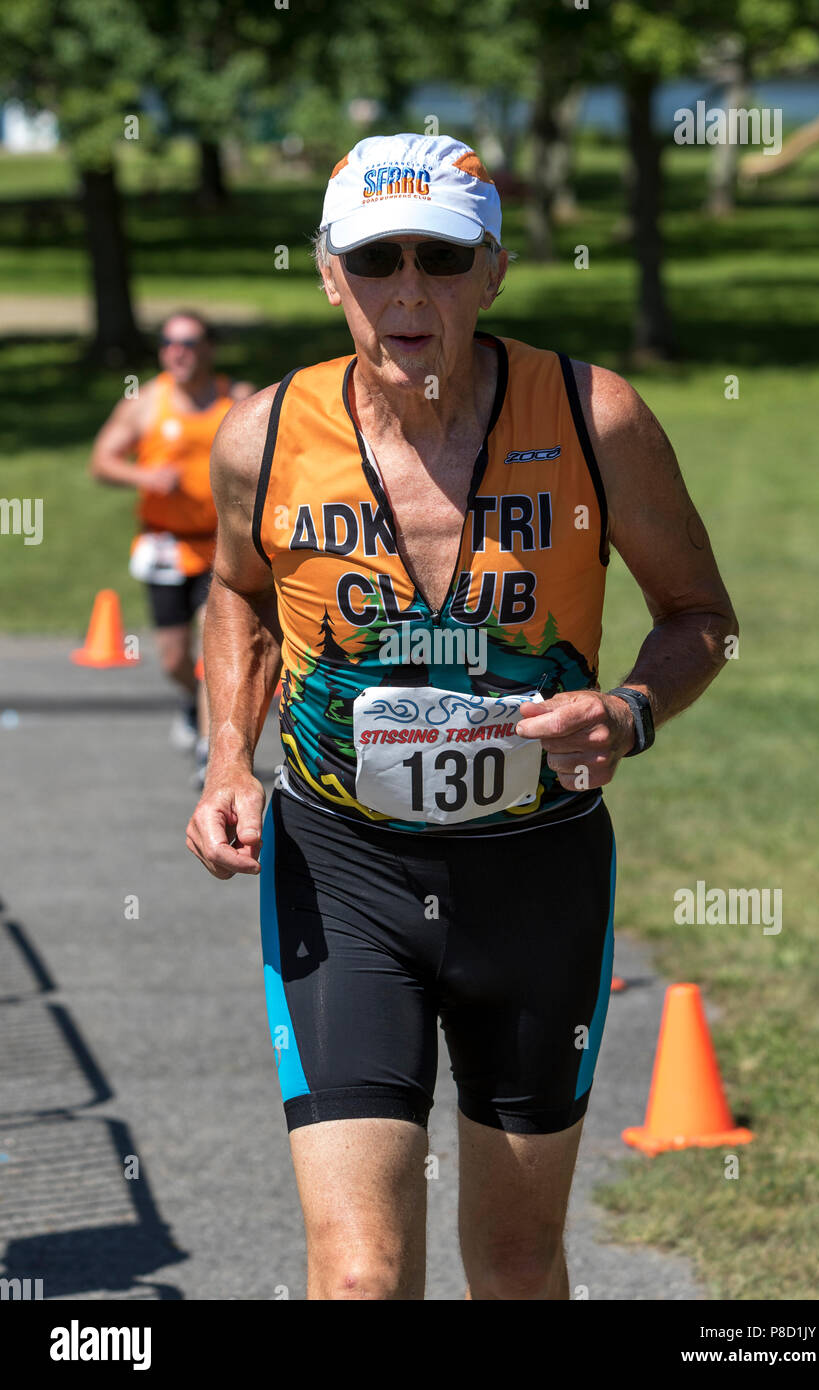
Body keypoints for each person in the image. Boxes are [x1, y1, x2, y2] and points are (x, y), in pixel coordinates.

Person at [185, 133, 738, 1300]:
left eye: (438, 257)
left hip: (535, 876)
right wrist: (229, 757)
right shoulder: (264, 435)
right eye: (373, 258)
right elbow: (236, 592)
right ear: (329, 273)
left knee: (515, 1266)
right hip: (341, 869)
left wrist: (631, 711)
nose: (406, 291)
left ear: (491, 269)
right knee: (357, 1276)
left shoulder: (595, 416)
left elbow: (701, 616)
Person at [90, 311, 255, 785]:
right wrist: (144, 476)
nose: (177, 350)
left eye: (188, 341)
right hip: (165, 545)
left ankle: (211, 749)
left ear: (209, 348)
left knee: (212, 643)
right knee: (172, 658)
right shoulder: (145, 402)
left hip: (222, 546)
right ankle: (192, 702)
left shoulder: (238, 399)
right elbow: (102, 460)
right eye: (168, 342)